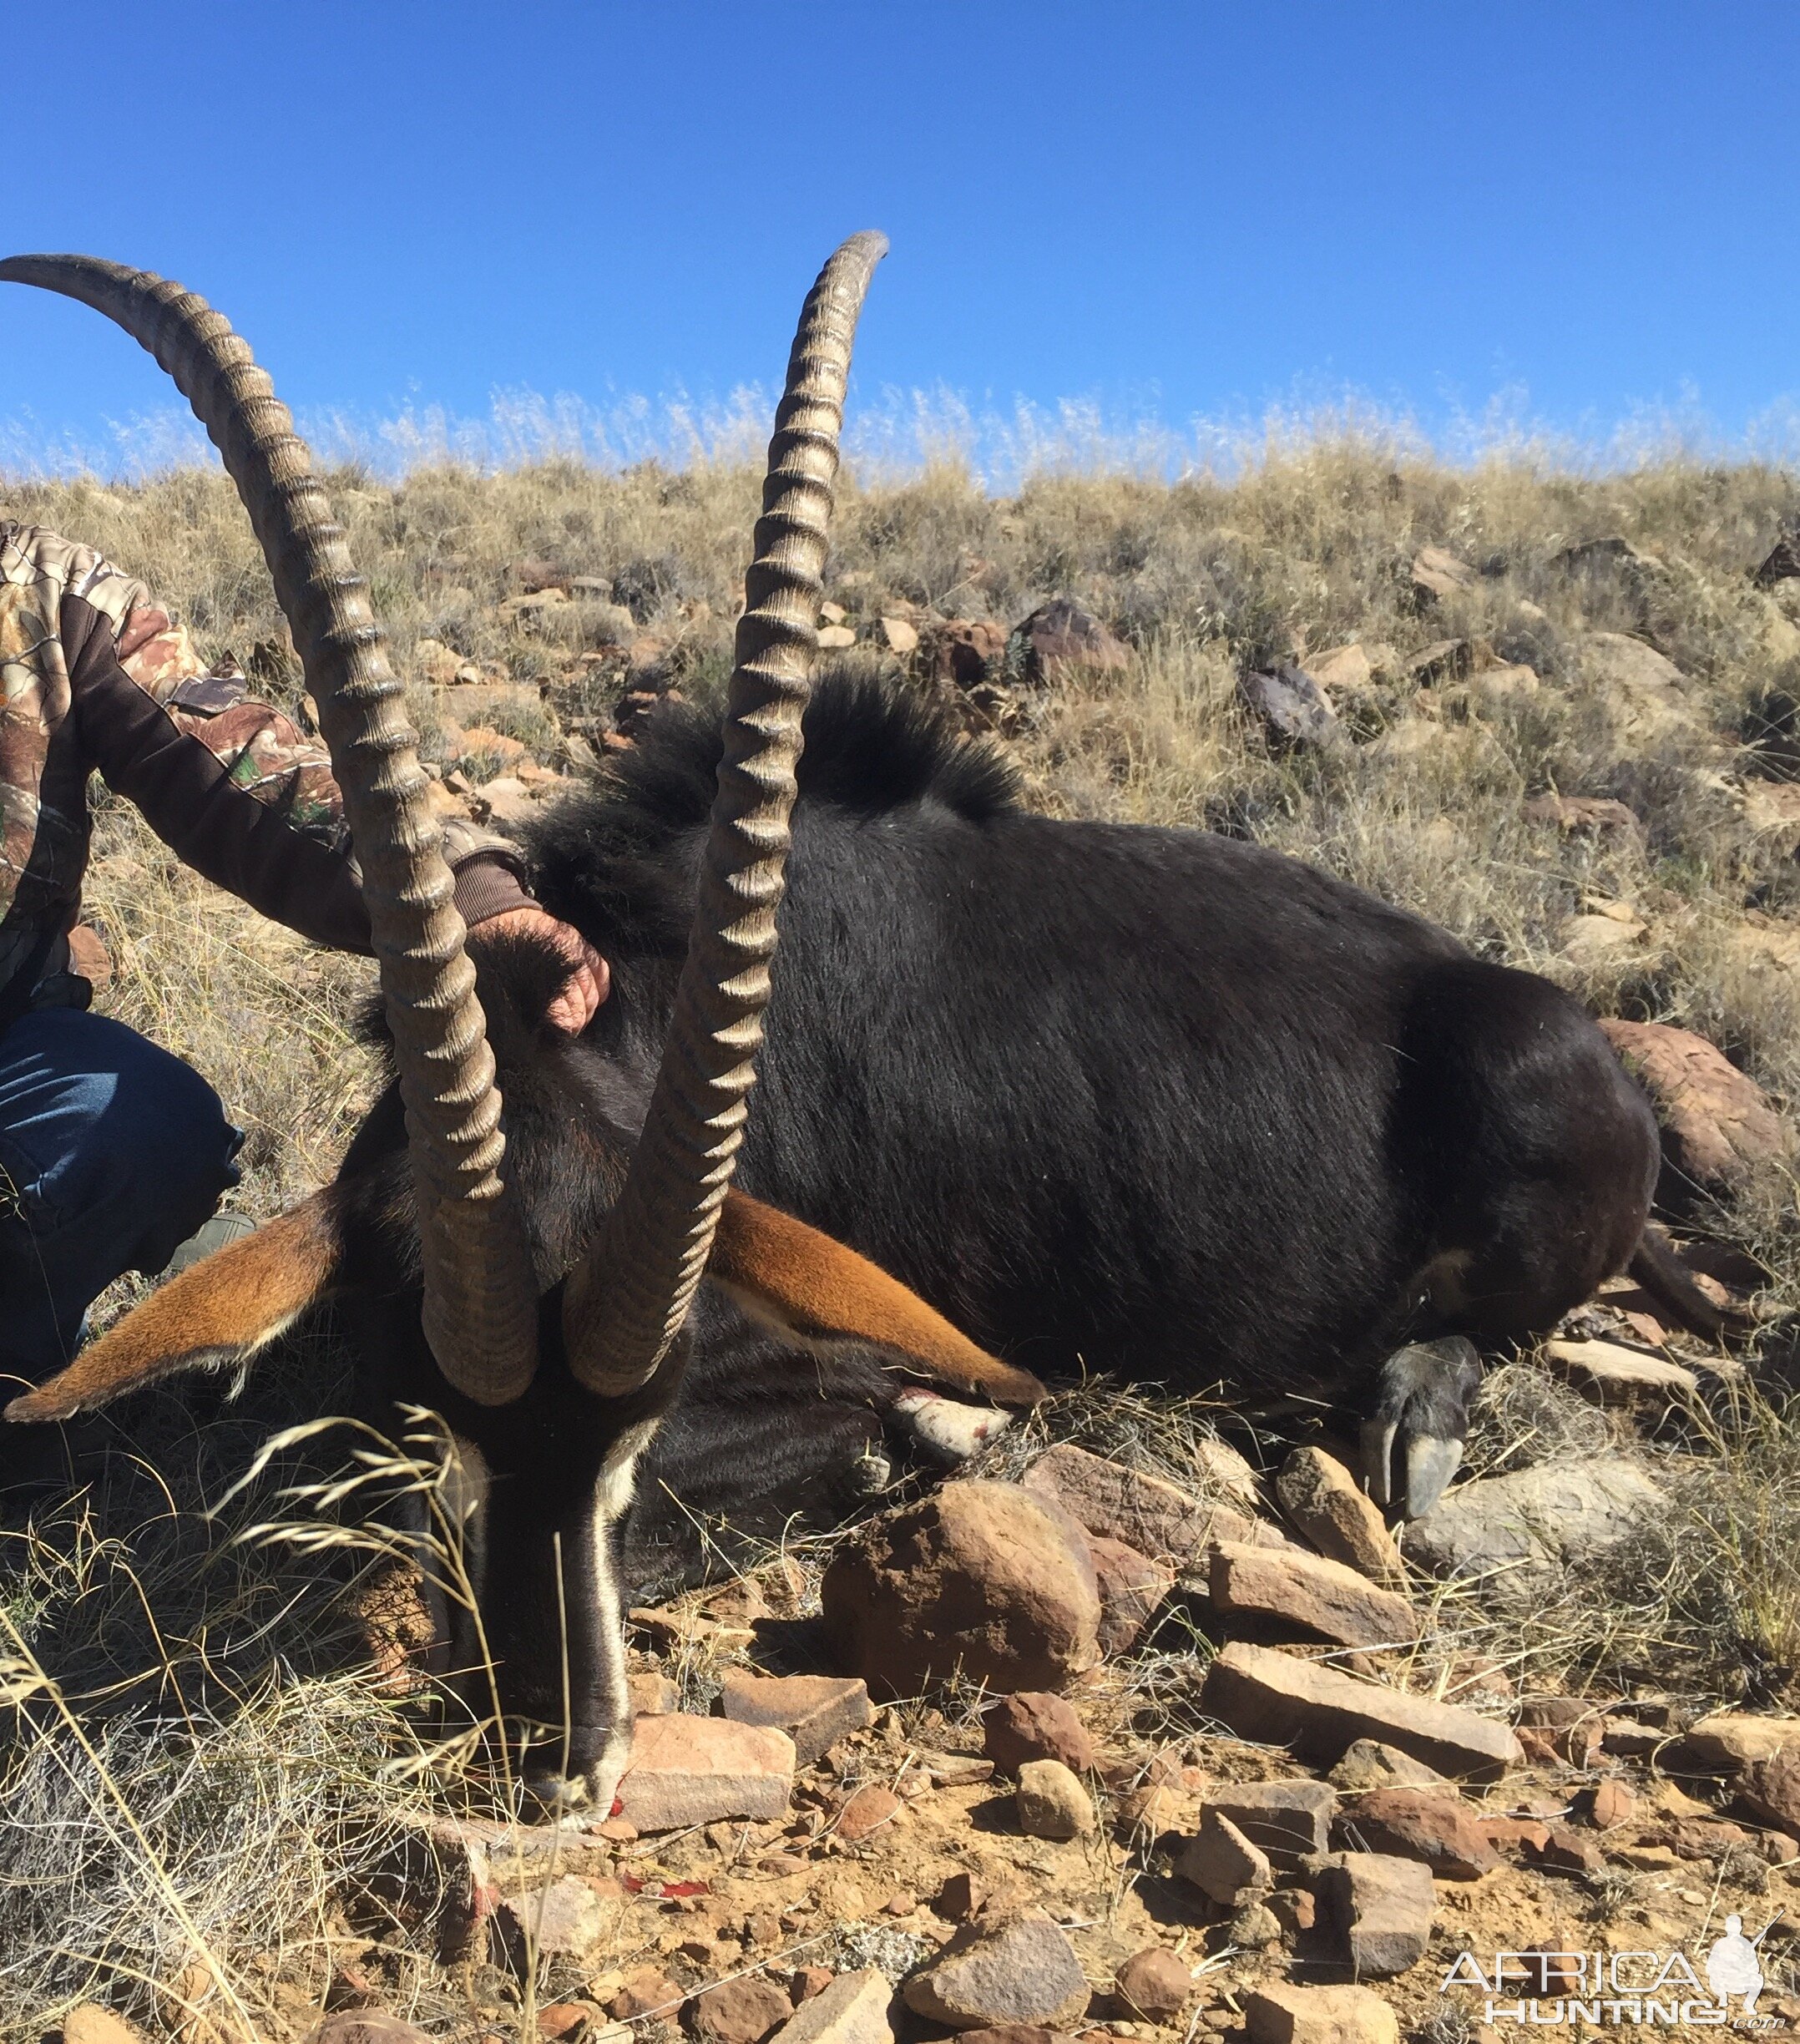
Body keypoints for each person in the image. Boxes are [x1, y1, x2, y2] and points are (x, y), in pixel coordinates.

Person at [0, 519, 605, 1465]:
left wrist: (468, 898)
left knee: (139, 1126)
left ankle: (17, 1389)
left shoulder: (47, 591)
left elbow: (234, 762)